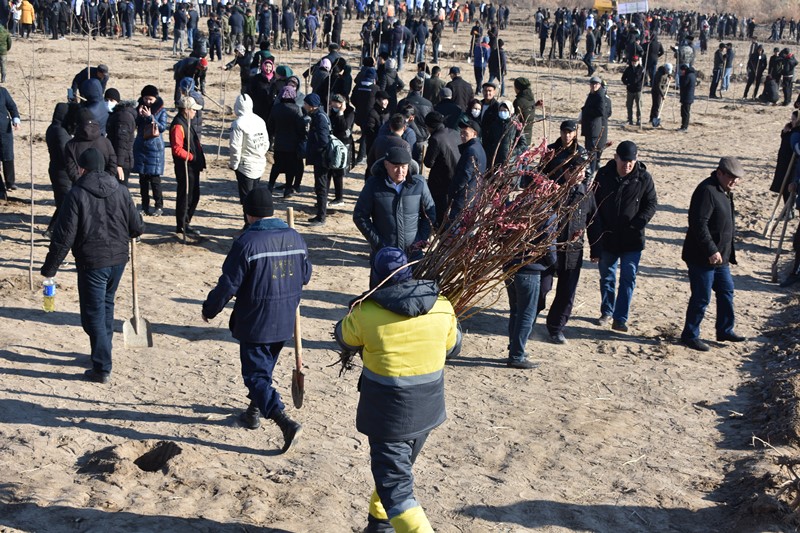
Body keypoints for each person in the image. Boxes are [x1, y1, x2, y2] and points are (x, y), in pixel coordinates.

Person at [334, 247, 460, 533]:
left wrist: (355, 311)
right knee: (395, 475)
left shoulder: (367, 313)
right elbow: (454, 346)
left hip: (389, 417)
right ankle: (380, 527)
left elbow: (344, 336)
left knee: (396, 490)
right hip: (428, 411)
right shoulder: (442, 305)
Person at [202, 186, 311, 453]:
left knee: (255, 376)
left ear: (248, 214)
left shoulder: (246, 243)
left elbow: (228, 284)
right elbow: (305, 275)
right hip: (285, 319)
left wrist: (210, 308)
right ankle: (253, 412)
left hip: (255, 322)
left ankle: (283, 420)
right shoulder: (295, 238)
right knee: (264, 370)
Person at [41, 148, 144, 383]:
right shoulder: (121, 190)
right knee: (105, 306)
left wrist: (50, 268)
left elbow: (64, 236)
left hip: (92, 263)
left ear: (82, 168)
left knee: (93, 313)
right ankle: (102, 352)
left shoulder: (76, 194)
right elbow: (137, 227)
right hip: (118, 261)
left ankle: (101, 366)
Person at [588, 141, 657, 332]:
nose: (627, 165)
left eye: (631, 161)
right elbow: (593, 204)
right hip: (608, 238)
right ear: (616, 157)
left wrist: (638, 223)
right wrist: (597, 235)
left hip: (632, 239)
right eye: (624, 160)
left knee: (628, 277)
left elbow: (651, 204)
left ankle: (620, 318)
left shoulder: (643, 178)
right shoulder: (603, 175)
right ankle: (607, 311)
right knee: (607, 277)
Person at [680, 157, 747, 351]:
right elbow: (698, 224)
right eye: (731, 177)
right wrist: (711, 250)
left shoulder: (724, 190)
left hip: (721, 257)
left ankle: (725, 330)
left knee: (726, 292)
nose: (735, 182)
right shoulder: (707, 191)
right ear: (720, 173)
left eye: (737, 178)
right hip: (702, 257)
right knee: (701, 297)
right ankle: (690, 335)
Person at [538, 120, 595, 344]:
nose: (567, 135)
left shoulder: (582, 155)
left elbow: (593, 214)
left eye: (571, 132)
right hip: (550, 235)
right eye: (564, 131)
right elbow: (539, 178)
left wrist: (596, 247)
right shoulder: (551, 152)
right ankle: (532, 313)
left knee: (567, 289)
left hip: (573, 240)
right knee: (542, 284)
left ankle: (556, 326)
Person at [354, 146, 436, 286]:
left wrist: (420, 239)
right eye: (395, 167)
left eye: (404, 167)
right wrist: (379, 244)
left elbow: (430, 214)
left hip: (412, 256)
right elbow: (360, 216)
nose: (400, 171)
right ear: (386, 164)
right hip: (384, 257)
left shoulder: (419, 184)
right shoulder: (373, 185)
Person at [229, 93, 269, 226]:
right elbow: (266, 142)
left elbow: (235, 146)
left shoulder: (238, 124)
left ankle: (248, 225)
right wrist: (260, 155)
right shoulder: (259, 120)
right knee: (255, 196)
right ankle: (255, 223)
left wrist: (234, 164)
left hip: (245, 166)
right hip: (259, 163)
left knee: (246, 199)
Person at [170, 96, 206, 237]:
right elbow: (177, 149)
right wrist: (192, 157)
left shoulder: (186, 122)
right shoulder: (178, 125)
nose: (195, 113)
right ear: (186, 110)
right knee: (186, 196)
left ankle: (186, 222)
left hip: (192, 167)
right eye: (193, 110)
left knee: (194, 195)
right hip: (185, 167)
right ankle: (182, 225)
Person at [133, 85, 168, 217]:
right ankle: (144, 206)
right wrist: (138, 115)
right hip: (141, 147)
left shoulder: (161, 110)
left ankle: (159, 206)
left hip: (155, 148)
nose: (148, 101)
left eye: (151, 99)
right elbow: (135, 125)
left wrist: (150, 117)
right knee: (142, 180)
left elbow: (162, 127)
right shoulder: (139, 108)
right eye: (146, 99)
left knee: (155, 180)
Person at [266, 85, 306, 197]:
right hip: (293, 144)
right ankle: (288, 190)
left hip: (279, 143)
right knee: (291, 168)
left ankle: (270, 186)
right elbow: (301, 127)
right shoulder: (296, 109)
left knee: (276, 166)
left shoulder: (276, 108)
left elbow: (270, 126)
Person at [423, 111, 459, 227]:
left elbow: (428, 163)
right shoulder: (454, 133)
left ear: (430, 126)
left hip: (441, 181)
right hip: (457, 176)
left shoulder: (435, 139)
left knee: (440, 210)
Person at [448, 118, 486, 224]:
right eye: (461, 133)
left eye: (465, 133)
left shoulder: (471, 150)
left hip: (464, 199)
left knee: (454, 232)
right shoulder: (479, 148)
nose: (462, 136)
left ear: (474, 134)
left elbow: (465, 175)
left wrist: (453, 191)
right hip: (473, 197)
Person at [304, 93, 331, 227]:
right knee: (320, 186)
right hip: (320, 158)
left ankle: (321, 216)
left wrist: (315, 149)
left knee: (321, 187)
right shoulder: (318, 115)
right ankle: (320, 214)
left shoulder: (319, 118)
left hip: (321, 158)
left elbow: (323, 140)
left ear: (311, 105)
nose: (304, 106)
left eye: (305, 103)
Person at [105, 88, 137, 186]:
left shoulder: (123, 117)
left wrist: (119, 165)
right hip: (117, 159)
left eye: (111, 100)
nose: (108, 103)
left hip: (122, 162)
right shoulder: (117, 114)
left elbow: (121, 142)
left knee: (120, 192)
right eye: (106, 100)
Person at [581, 76, 608, 174]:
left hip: (594, 128)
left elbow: (601, 111)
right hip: (589, 127)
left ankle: (592, 171)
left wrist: (587, 111)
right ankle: (590, 169)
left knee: (592, 151)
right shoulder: (592, 94)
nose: (594, 86)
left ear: (599, 85)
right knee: (589, 150)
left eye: (596, 84)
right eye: (592, 84)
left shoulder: (599, 95)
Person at [0, 86, 19, 194]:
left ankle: (10, 182)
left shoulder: (2, 92)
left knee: (7, 155)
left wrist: (16, 118)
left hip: (4, 130)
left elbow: (12, 106)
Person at [622, 56, 644, 126]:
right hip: (630, 90)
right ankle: (630, 119)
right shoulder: (628, 69)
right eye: (632, 61)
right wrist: (627, 83)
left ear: (638, 61)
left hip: (638, 90)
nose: (634, 63)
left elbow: (645, 79)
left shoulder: (641, 69)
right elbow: (623, 78)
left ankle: (639, 119)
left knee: (639, 105)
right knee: (629, 105)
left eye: (635, 61)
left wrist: (640, 85)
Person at [678, 64, 696, 132]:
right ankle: (684, 126)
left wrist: (681, 77)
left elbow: (683, 85)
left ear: (684, 70)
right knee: (686, 112)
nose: (681, 72)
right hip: (689, 97)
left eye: (682, 71)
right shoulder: (693, 75)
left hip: (686, 97)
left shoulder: (688, 76)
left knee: (685, 112)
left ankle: (684, 127)